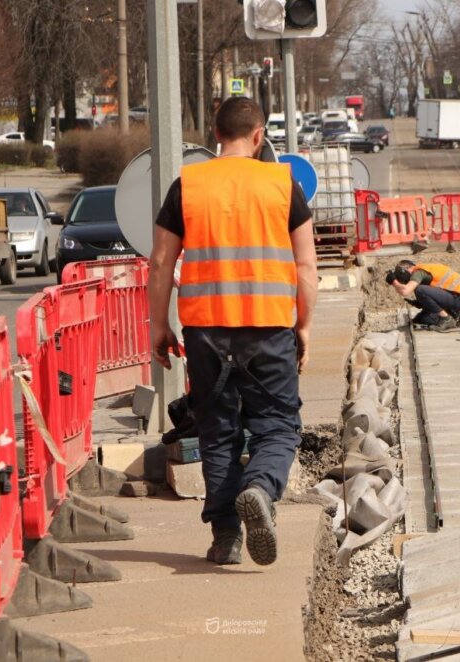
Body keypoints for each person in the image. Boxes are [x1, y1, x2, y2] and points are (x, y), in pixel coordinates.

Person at [148, 97, 318, 566]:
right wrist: (303, 325)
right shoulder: (282, 185)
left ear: (214, 133)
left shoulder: (189, 185)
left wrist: (158, 325)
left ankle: (226, 539)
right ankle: (261, 489)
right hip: (269, 328)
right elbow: (306, 265)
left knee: (217, 431)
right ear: (259, 135)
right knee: (277, 427)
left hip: (206, 330)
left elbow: (162, 260)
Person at [387, 260, 460, 331]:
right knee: (422, 320)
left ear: (405, 271)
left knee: (420, 290)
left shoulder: (418, 273)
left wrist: (394, 281)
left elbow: (405, 292)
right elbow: (437, 294)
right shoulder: (426, 269)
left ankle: (447, 319)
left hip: (459, 299)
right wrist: (421, 302)